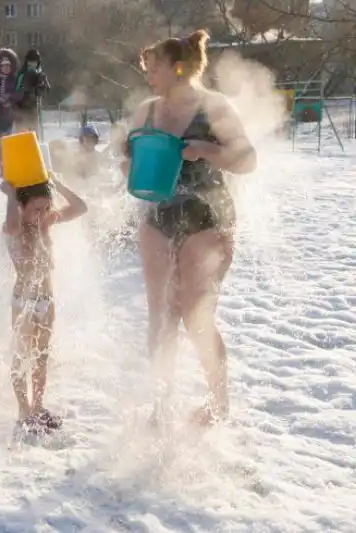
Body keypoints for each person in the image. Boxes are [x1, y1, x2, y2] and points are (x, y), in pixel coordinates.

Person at [125, 30, 256, 426]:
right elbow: (125, 158)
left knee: (196, 316)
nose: (149, 76)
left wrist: (206, 151)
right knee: (161, 314)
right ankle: (160, 405)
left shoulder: (213, 107)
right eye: (146, 69)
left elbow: (248, 159)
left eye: (154, 68)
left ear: (177, 67)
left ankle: (218, 404)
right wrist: (125, 165)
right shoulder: (146, 110)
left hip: (206, 215)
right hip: (157, 215)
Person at [1, 174, 87, 438]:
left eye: (46, 208)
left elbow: (81, 207)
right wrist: (12, 193)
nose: (42, 214)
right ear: (22, 206)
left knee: (41, 356)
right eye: (36, 209)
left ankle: (38, 407)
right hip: (24, 300)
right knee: (22, 355)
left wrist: (57, 182)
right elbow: (14, 222)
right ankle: (23, 411)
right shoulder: (12, 228)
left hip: (46, 299)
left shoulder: (46, 224)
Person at [13, 49, 50, 133]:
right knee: (22, 136)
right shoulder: (21, 74)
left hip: (33, 110)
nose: (32, 64)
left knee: (33, 135)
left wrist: (41, 87)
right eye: (30, 62)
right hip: (21, 109)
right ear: (26, 62)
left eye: (34, 62)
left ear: (38, 63)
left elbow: (45, 91)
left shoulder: (40, 74)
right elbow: (16, 91)